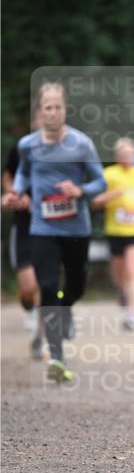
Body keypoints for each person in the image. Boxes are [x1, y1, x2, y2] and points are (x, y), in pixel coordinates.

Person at [3, 82, 106, 382]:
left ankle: (65, 308)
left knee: (75, 287)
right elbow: (23, 173)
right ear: (40, 111)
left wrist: (79, 190)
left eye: (58, 107)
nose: (53, 112)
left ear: (65, 109)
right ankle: (57, 355)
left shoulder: (81, 143)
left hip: (76, 227)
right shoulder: (28, 145)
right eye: (47, 107)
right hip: (42, 227)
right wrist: (16, 192)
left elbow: (100, 182)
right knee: (47, 285)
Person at [92, 137, 134, 330]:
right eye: (122, 154)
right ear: (116, 156)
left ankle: (132, 314)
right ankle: (123, 293)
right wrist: (110, 196)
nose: (126, 157)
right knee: (119, 274)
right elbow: (95, 202)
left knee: (132, 270)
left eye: (130, 154)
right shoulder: (108, 174)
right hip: (115, 230)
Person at [2, 141, 44, 359]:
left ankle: (40, 337)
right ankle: (30, 306)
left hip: (51, 229)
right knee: (28, 287)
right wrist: (12, 195)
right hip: (23, 229)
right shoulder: (21, 148)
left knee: (46, 283)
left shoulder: (62, 154)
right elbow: (8, 176)